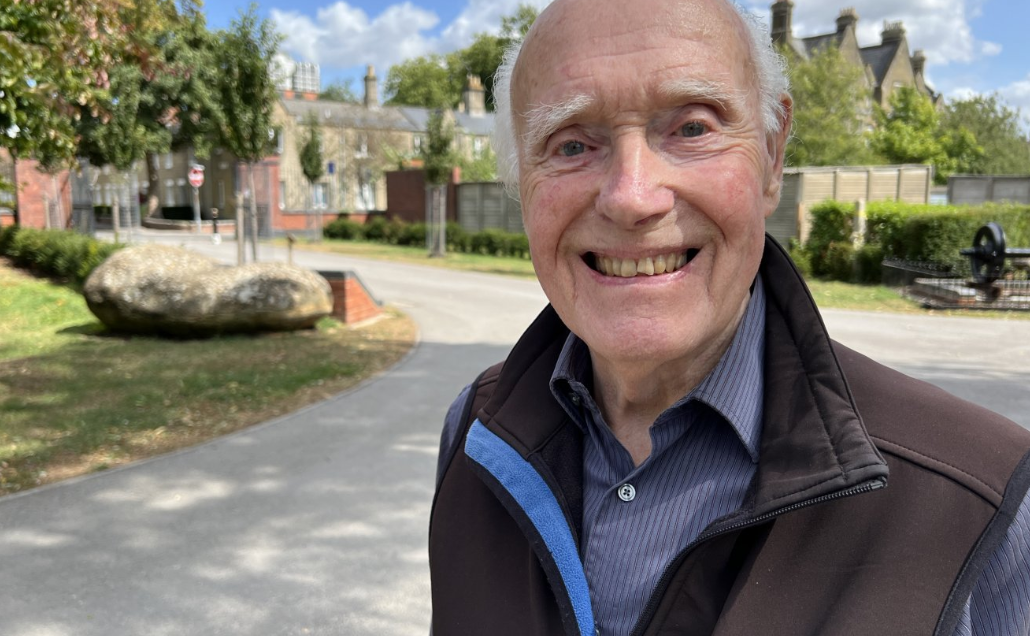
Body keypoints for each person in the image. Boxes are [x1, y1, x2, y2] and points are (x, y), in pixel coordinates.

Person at [427, 0, 1030, 634]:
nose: (632, 196)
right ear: (521, 180)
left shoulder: (983, 507)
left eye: (691, 129)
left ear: (772, 154)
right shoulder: (472, 435)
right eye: (572, 143)